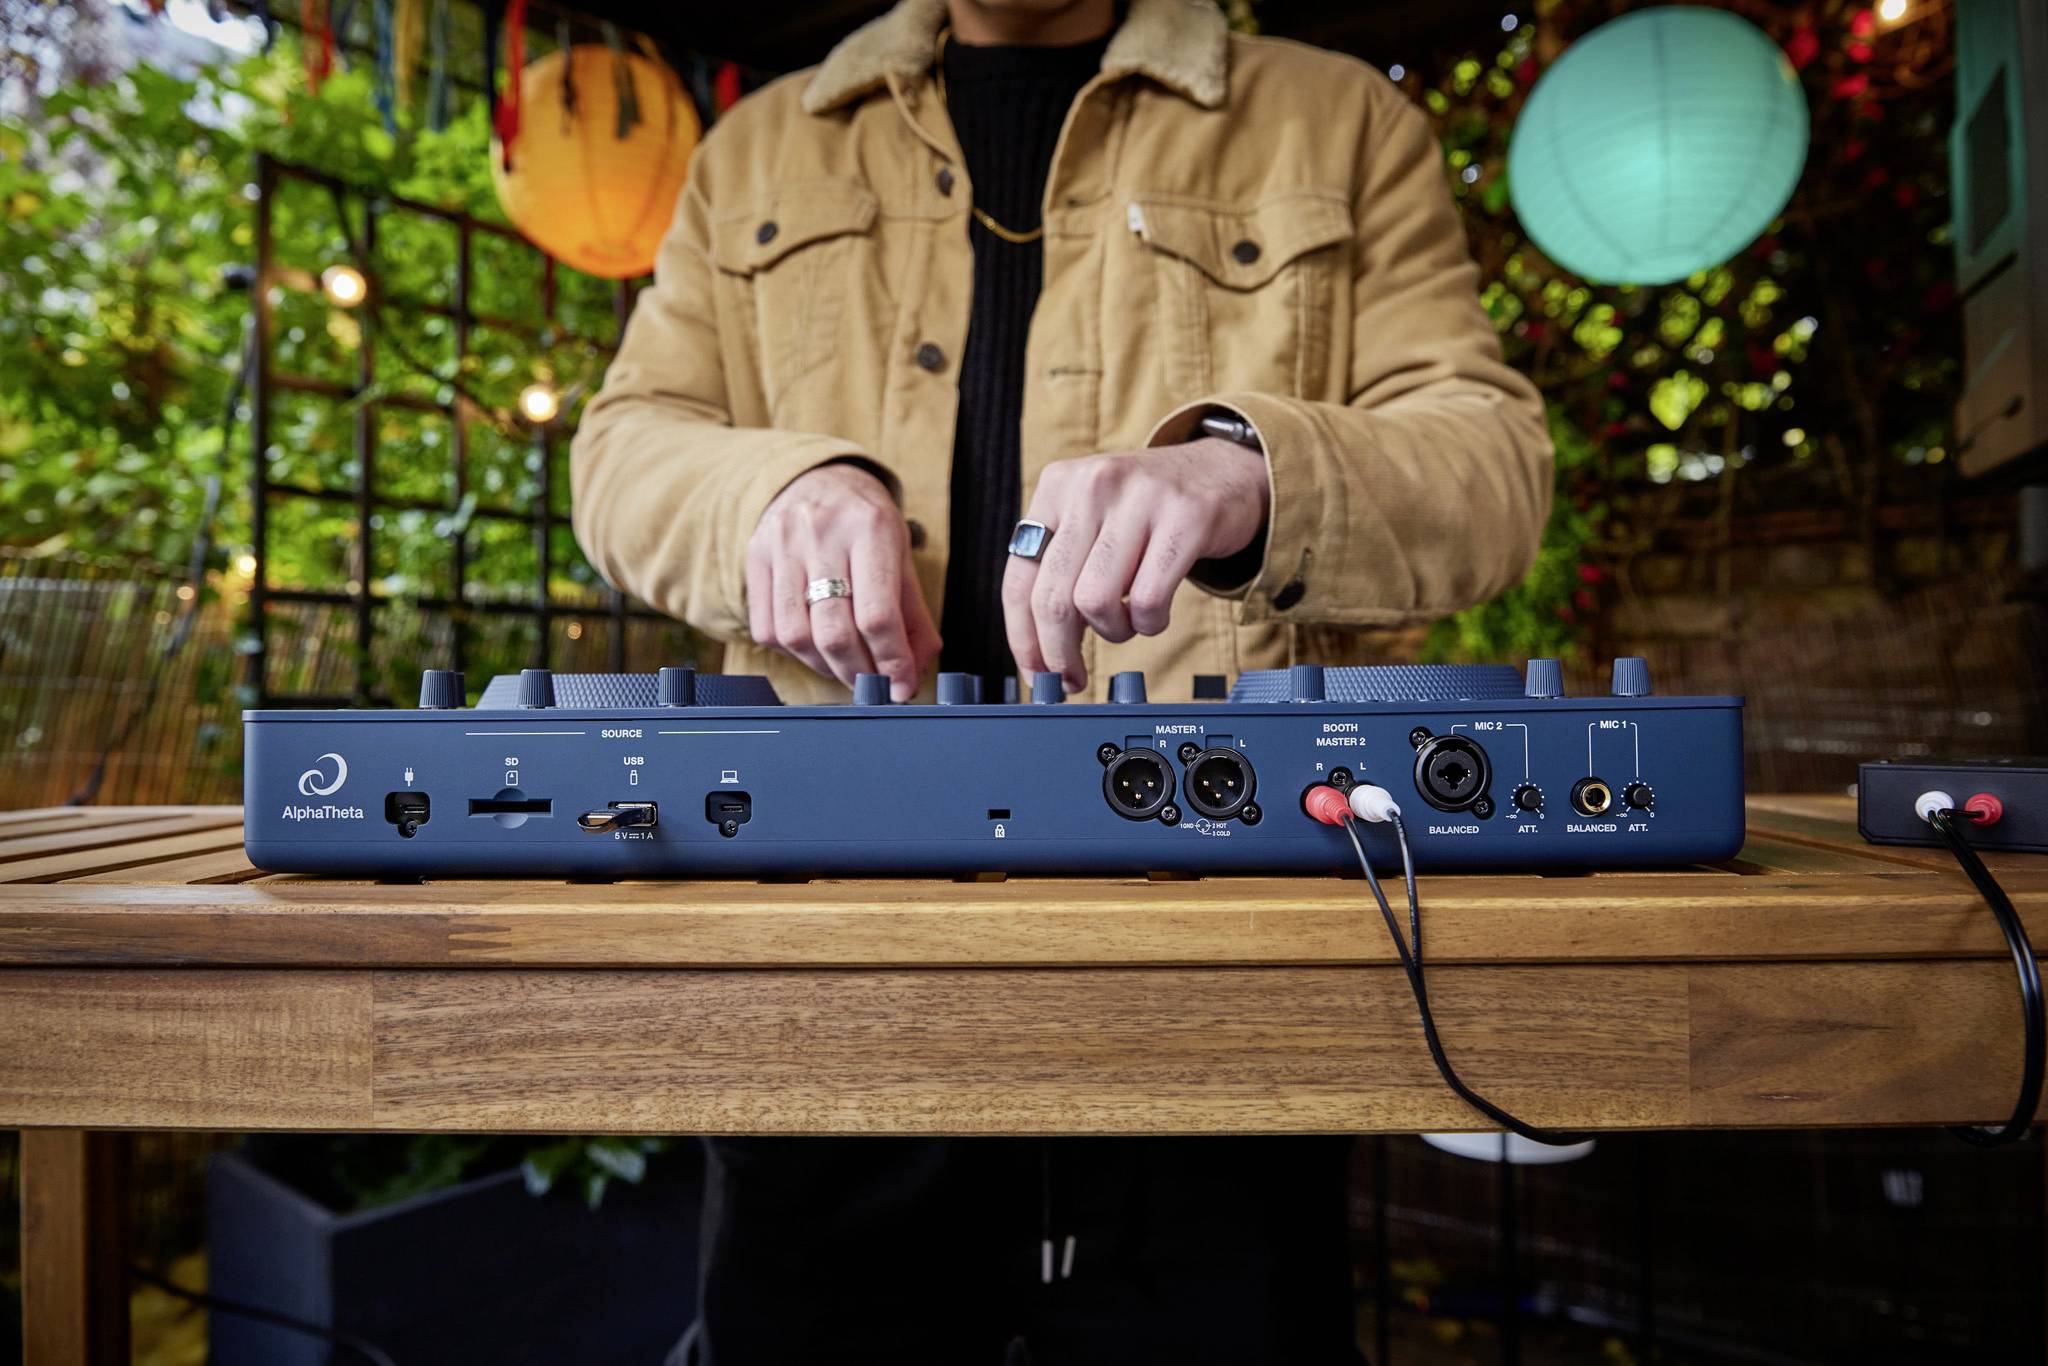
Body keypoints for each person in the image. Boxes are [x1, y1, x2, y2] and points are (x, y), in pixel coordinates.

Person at [572, 0, 1552, 1359]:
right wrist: (770, 488)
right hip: (826, 983)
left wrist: (1241, 468)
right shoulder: (755, 146)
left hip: (1223, 982)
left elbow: (1493, 463)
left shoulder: (1343, 121)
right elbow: (620, 453)